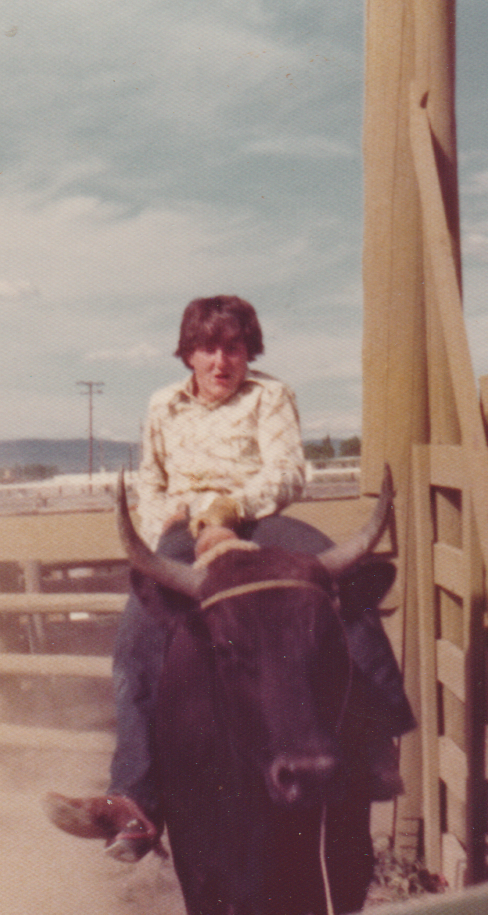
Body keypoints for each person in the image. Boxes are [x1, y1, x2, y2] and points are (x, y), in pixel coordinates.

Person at [44, 295, 414, 862]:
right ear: (188, 353)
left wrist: (228, 507)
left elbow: (287, 474)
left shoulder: (271, 396)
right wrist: (168, 528)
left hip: (258, 520)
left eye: (234, 349)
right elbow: (152, 481)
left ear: (248, 352)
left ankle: (378, 741)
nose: (222, 362)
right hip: (185, 530)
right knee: (136, 641)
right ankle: (134, 801)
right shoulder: (162, 405)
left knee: (340, 589)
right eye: (208, 348)